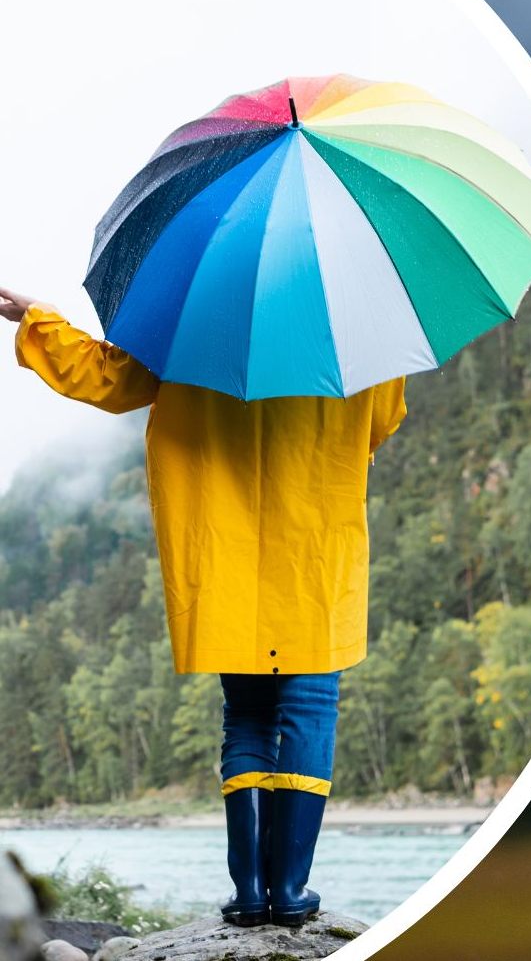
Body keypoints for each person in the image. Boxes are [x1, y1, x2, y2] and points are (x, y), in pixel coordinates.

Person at [0, 287, 406, 928]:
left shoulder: (192, 309)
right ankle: (290, 893)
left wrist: (37, 322)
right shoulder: (359, 322)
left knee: (246, 718)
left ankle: (248, 894)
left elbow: (107, 377)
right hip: (315, 553)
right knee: (307, 711)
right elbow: (382, 420)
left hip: (225, 555)